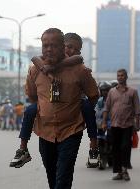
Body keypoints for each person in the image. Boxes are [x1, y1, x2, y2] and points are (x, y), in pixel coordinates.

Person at [9, 32, 98, 168]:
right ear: (62, 47)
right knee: (31, 109)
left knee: (87, 107)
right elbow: (35, 59)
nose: (72, 51)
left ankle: (93, 147)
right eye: (69, 47)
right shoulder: (38, 67)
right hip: (46, 129)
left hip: (72, 123)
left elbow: (93, 94)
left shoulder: (78, 68)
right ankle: (22, 148)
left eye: (76, 49)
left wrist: (77, 111)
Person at [102, 68, 140, 181]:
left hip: (128, 125)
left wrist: (137, 124)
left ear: (126, 77)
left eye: (122, 75)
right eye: (118, 75)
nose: (120, 77)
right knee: (116, 148)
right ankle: (118, 172)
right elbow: (106, 108)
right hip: (114, 124)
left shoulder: (132, 92)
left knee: (125, 147)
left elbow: (137, 110)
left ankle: (125, 170)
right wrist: (104, 121)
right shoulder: (112, 92)